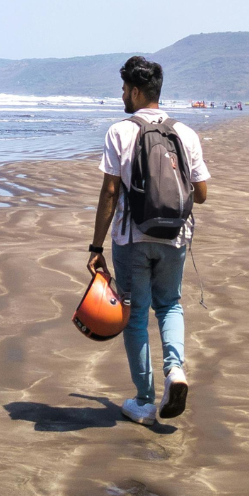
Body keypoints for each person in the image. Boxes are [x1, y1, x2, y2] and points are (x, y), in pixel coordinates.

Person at [87, 56, 210, 425]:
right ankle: (176, 372)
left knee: (136, 315)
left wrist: (95, 247)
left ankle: (144, 400)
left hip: (131, 238)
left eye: (125, 89)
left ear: (137, 91)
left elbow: (110, 191)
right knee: (170, 304)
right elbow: (201, 193)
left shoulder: (119, 132)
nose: (123, 95)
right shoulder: (185, 133)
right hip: (175, 237)